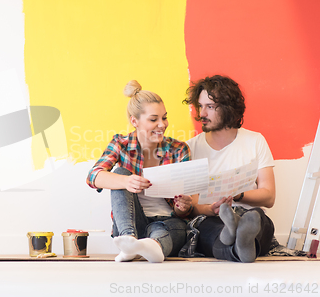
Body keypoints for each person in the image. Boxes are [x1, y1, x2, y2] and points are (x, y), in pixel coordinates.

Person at [86, 80, 193, 263]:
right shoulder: (121, 144)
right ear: (134, 121)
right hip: (132, 223)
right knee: (120, 172)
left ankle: (153, 247)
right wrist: (126, 182)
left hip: (167, 222)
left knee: (165, 232)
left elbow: (184, 209)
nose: (162, 124)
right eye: (153, 119)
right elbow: (93, 176)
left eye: (164, 117)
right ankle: (129, 241)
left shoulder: (179, 149)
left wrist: (183, 206)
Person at [183, 75, 276, 263]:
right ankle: (238, 241)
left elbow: (269, 197)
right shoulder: (190, 148)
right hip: (210, 218)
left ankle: (239, 235)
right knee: (213, 231)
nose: (202, 113)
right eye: (200, 106)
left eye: (210, 106)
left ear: (228, 108)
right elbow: (191, 207)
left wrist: (238, 195)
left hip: (246, 213)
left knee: (258, 219)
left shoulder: (255, 140)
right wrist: (211, 208)